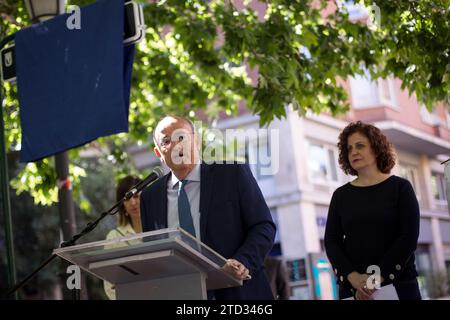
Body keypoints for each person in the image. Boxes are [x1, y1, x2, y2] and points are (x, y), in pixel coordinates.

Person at [140, 115, 276, 300]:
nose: (176, 145)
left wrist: (242, 261)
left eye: (182, 137)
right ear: (159, 153)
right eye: (166, 141)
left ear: (195, 140)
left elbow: (263, 226)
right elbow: (155, 253)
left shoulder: (232, 174)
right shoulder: (150, 197)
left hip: (239, 294)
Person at [324, 121, 421, 300]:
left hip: (398, 285)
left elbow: (408, 237)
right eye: (349, 148)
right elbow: (331, 242)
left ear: (376, 149)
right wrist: (354, 278)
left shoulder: (401, 188)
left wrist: (374, 279)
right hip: (355, 290)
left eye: (360, 145)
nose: (353, 151)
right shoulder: (340, 196)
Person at [104, 175, 142, 300]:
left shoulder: (161, 230)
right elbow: (109, 285)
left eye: (136, 196)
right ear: (122, 204)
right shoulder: (114, 237)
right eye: (127, 198)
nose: (132, 202)